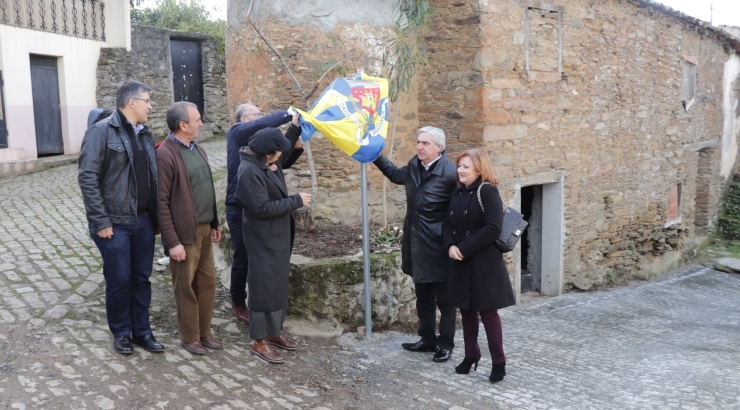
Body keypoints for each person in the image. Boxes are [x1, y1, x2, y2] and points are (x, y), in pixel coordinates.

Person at [78, 81, 163, 355]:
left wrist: (156, 218)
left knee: (141, 279)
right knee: (119, 279)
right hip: (114, 223)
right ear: (132, 103)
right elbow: (88, 177)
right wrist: (100, 221)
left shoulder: (145, 134)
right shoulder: (100, 131)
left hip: (143, 222)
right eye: (147, 101)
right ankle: (122, 333)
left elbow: (150, 177)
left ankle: (142, 332)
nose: (151, 106)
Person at [373, 126, 457, 362]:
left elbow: (460, 212)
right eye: (418, 142)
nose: (419, 147)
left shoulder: (451, 174)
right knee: (423, 298)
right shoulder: (414, 166)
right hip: (416, 243)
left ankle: (446, 344)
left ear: (439, 148)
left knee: (446, 302)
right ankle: (427, 339)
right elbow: (396, 175)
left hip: (439, 247)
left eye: (425, 143)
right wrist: (376, 156)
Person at [235, 119, 309, 364]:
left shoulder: (264, 159)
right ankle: (259, 341)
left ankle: (274, 332)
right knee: (263, 289)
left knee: (277, 286)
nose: (280, 156)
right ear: (268, 153)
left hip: (275, 237)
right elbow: (261, 208)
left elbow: (284, 151)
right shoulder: (249, 172)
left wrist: (296, 126)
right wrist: (296, 200)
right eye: (276, 153)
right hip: (262, 238)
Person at [226, 103, 304, 325]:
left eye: (261, 114)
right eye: (256, 115)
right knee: (243, 256)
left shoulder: (262, 151)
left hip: (259, 206)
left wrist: (295, 129)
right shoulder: (236, 133)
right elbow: (263, 125)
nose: (261, 117)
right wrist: (288, 114)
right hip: (238, 206)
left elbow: (281, 158)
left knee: (261, 261)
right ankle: (239, 301)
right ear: (243, 120)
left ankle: (263, 312)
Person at [443, 149, 516, 383]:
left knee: (488, 313)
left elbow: (494, 227)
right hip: (461, 261)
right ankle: (471, 354)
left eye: (466, 167)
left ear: (479, 169)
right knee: (466, 311)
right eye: (459, 166)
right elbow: (447, 223)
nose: (460, 170)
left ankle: (499, 362)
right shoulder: (457, 192)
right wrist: (450, 246)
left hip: (484, 263)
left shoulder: (487, 191)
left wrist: (463, 248)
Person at [156, 101, 223, 355]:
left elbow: (206, 188)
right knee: (185, 286)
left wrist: (215, 222)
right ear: (183, 125)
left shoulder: (198, 148)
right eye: (197, 120)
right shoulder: (166, 154)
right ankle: (190, 335)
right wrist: (172, 242)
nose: (201, 123)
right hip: (185, 234)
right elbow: (161, 203)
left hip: (205, 228)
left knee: (207, 283)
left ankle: (205, 332)